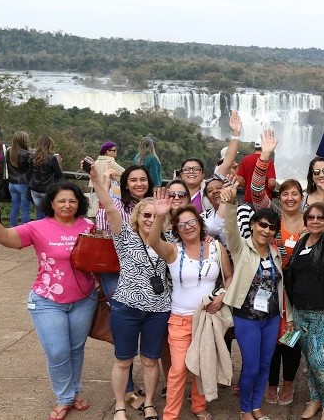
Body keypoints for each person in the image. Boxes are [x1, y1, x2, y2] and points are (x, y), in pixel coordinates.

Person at [0, 182, 96, 420]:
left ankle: (75, 391)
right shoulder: (38, 227)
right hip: (47, 300)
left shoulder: (89, 226)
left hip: (84, 299)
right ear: (51, 203)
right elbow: (5, 237)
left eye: (72, 200)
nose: (67, 205)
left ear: (80, 203)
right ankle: (64, 397)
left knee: (76, 349)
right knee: (58, 351)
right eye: (62, 201)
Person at [88, 165, 171, 420]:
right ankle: (120, 406)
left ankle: (148, 404)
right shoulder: (124, 235)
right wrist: (97, 181)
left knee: (150, 360)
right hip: (127, 307)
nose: (149, 219)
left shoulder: (168, 240)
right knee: (123, 360)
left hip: (158, 309)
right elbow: (110, 208)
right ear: (136, 216)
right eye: (145, 215)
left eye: (153, 215)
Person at [147, 195, 232, 420]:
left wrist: (222, 296)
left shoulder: (216, 247)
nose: (188, 227)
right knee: (178, 369)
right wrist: (160, 215)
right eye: (182, 224)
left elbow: (229, 277)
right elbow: (153, 241)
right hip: (181, 318)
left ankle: (198, 405)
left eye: (192, 222)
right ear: (176, 229)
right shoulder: (173, 250)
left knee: (203, 364)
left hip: (207, 317)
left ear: (200, 222)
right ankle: (170, 415)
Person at [221, 181, 293, 420]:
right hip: (247, 318)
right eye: (262, 225)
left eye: (272, 227)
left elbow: (280, 288)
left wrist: (288, 317)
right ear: (253, 225)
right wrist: (230, 203)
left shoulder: (275, 253)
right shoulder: (241, 248)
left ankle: (256, 406)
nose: (266, 230)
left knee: (264, 366)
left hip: (271, 318)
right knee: (251, 366)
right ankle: (245, 409)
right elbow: (231, 229)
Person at [249, 129, 305, 406]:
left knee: (292, 341)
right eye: (285, 194)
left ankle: (289, 383)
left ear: (302, 197)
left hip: (298, 292)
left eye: (295, 194)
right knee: (270, 340)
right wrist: (265, 157)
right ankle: (271, 384)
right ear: (279, 197)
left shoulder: (311, 223)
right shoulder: (271, 217)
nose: (290, 198)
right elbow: (256, 190)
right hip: (270, 289)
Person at [285, 181, 324, 420]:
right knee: (310, 359)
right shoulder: (302, 241)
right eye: (310, 217)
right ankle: (314, 400)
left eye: (320, 218)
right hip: (302, 311)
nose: (315, 221)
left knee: (319, 360)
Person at [29, 135, 64, 220]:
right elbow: (59, 174)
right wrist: (59, 164)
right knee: (48, 215)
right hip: (47, 189)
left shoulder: (32, 157)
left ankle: (38, 231)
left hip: (34, 188)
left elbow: (30, 172)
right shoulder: (52, 158)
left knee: (39, 213)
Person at [88, 141, 125, 217]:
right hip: (108, 194)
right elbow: (125, 173)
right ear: (107, 151)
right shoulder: (110, 162)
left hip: (96, 192)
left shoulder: (96, 162)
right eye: (114, 150)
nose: (116, 152)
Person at [6, 130, 32, 227]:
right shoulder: (27, 154)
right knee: (25, 209)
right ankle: (25, 230)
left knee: (14, 208)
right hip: (23, 184)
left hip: (12, 184)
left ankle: (12, 227)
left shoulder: (9, 151)